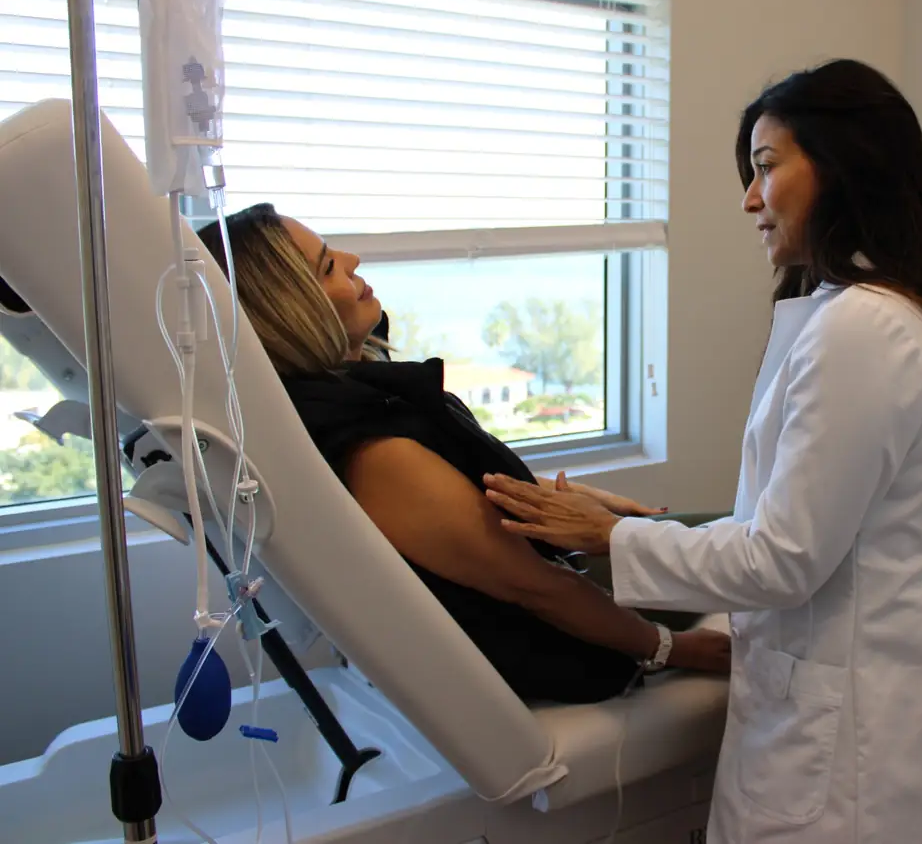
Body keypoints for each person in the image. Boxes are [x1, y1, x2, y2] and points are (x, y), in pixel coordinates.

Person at [482, 59, 922, 844]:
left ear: (843, 166)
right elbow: (801, 514)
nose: (749, 198)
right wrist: (630, 523)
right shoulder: (868, 312)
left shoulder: (861, 326)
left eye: (766, 167)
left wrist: (607, 537)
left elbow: (784, 557)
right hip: (861, 696)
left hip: (849, 745)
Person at [195, 204, 730, 704]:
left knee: (728, 534)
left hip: (562, 571)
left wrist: (574, 505)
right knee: (743, 548)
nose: (355, 262)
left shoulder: (350, 396)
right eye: (330, 265)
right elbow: (537, 587)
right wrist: (674, 649)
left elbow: (460, 494)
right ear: (292, 310)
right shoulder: (376, 453)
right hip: (569, 637)